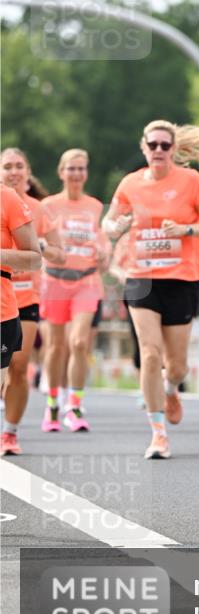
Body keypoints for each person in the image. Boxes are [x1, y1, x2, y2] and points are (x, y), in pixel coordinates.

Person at [103, 120, 199, 460]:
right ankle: (158, 434)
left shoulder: (191, 181)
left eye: (164, 145)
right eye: (152, 145)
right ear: (143, 147)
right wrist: (117, 225)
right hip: (142, 277)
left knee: (177, 365)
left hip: (181, 278)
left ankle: (171, 389)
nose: (158, 150)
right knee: (150, 354)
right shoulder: (130, 184)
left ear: (173, 149)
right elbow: (109, 224)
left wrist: (184, 229)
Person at [0, 149, 65, 453]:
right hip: (8, 291)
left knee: (19, 363)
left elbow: (57, 254)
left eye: (19, 166)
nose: (13, 172)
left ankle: (10, 432)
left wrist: (40, 247)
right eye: (7, 167)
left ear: (27, 172)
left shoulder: (38, 208)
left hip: (23, 297)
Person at [40, 149, 109, 433]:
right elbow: (40, 239)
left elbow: (101, 238)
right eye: (71, 168)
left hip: (87, 281)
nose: (76, 174)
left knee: (79, 343)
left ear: (86, 173)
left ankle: (75, 405)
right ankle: (53, 404)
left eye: (81, 168)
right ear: (61, 172)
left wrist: (105, 252)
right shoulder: (47, 205)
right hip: (55, 281)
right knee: (56, 347)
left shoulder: (94, 206)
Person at [1, 184, 41, 454]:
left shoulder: (7, 198)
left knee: (18, 370)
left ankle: (10, 432)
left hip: (2, 310)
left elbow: (34, 259)